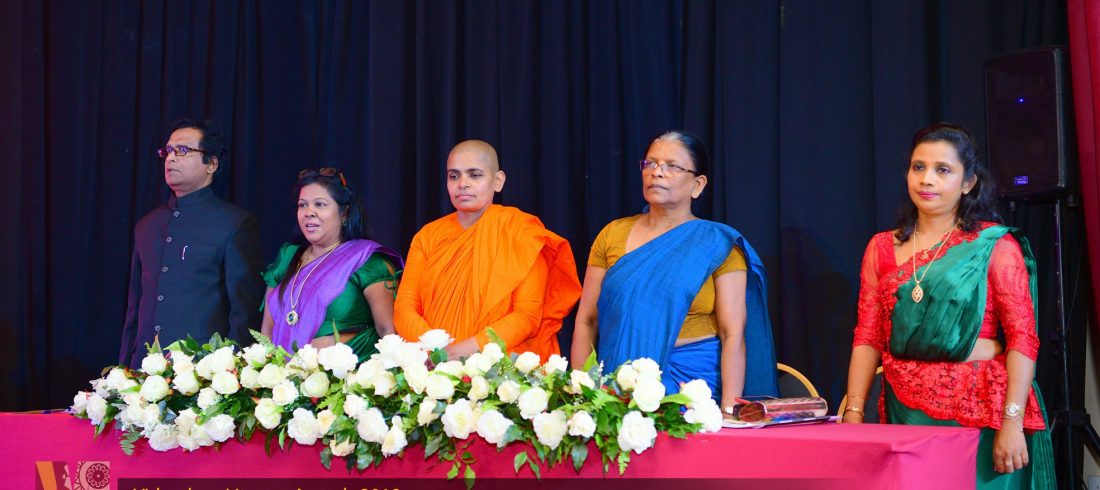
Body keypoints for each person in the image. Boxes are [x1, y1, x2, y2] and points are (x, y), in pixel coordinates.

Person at [843, 123, 1054, 488]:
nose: (927, 179)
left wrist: (1012, 421)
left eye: (943, 170)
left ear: (968, 182)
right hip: (905, 413)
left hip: (982, 414)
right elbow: (867, 335)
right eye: (918, 167)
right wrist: (854, 410)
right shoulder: (881, 248)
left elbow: (1023, 338)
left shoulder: (993, 246)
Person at [571, 130, 779, 410]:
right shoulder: (612, 235)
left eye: (672, 166)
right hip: (621, 384)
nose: (657, 172)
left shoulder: (717, 244)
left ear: (698, 184)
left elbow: (733, 334)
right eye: (650, 163)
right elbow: (586, 321)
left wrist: (729, 409)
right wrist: (584, 397)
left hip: (695, 389)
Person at [394, 140, 581, 361]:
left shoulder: (521, 233)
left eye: (475, 175)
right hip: (430, 367)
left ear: (498, 181)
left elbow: (526, 315)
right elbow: (405, 306)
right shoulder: (428, 236)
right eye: (454, 176)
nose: (462, 184)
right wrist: (434, 352)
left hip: (498, 368)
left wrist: (461, 352)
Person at [119, 118, 264, 368]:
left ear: (211, 164)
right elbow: (135, 308)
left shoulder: (234, 223)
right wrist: (124, 368)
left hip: (202, 373)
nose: (171, 158)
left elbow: (244, 312)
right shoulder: (147, 225)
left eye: (183, 150)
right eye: (168, 151)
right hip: (143, 371)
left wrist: (231, 371)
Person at [260, 168, 403, 361]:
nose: (309, 212)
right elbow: (267, 332)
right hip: (284, 376)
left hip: (350, 377)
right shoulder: (287, 257)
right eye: (303, 205)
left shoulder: (367, 261)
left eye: (320, 204)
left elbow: (389, 333)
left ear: (344, 213)